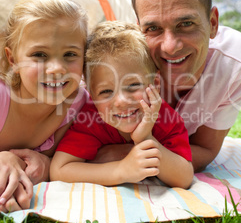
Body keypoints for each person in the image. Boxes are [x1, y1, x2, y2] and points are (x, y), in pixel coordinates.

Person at [131, 0, 241, 172]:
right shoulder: (124, 59)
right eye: (153, 28)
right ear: (138, 30)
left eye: (185, 23)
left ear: (213, 23)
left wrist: (124, 155)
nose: (170, 47)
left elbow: (204, 149)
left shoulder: (233, 62)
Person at [50, 21, 193, 188]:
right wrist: (120, 170)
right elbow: (59, 170)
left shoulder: (166, 119)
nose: (121, 101)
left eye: (132, 86)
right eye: (105, 92)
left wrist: (144, 138)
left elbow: (184, 178)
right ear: (91, 94)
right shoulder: (90, 119)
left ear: (154, 83)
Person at [0, 0, 89, 213]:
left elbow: (66, 159)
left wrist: (45, 164)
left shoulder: (77, 104)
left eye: (70, 54)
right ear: (12, 59)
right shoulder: (3, 98)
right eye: (39, 54)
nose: (57, 68)